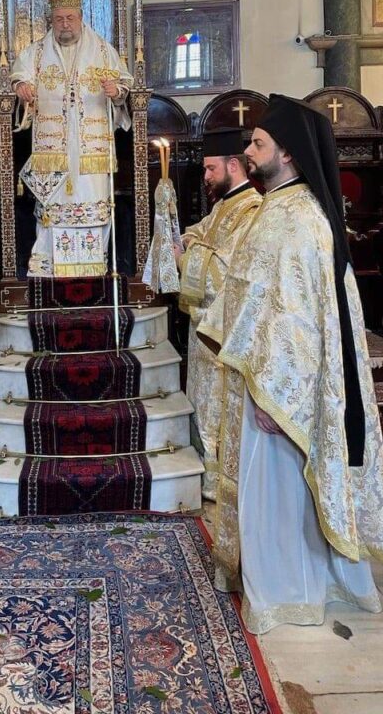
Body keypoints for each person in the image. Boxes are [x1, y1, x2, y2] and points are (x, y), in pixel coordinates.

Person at [197, 95, 383, 635]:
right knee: (270, 491)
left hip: (277, 388)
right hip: (261, 375)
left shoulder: (297, 219)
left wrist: (278, 394)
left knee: (279, 492)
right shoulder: (281, 208)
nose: (248, 150)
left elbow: (295, 318)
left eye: (257, 143)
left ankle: (287, 590)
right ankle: (277, 579)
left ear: (286, 152)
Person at [12, 0, 133, 277]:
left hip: (91, 153)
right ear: (51, 20)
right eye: (58, 19)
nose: (64, 24)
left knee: (94, 206)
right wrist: (22, 88)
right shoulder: (35, 54)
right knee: (51, 209)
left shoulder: (104, 51)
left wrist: (116, 91)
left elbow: (124, 86)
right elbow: (19, 77)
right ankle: (49, 270)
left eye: (70, 18)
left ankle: (93, 267)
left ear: (81, 17)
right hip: (52, 151)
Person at [175, 128, 261, 500]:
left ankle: (220, 482)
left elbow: (225, 272)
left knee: (218, 406)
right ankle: (205, 474)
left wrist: (187, 258)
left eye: (211, 169)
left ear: (233, 165)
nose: (206, 176)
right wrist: (191, 244)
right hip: (205, 328)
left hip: (225, 331)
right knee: (202, 401)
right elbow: (194, 233)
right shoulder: (224, 205)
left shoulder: (252, 210)